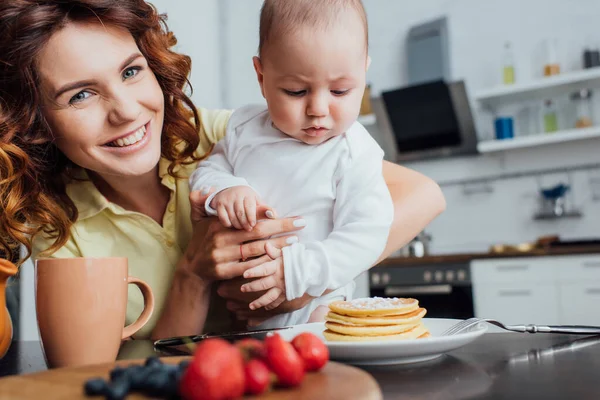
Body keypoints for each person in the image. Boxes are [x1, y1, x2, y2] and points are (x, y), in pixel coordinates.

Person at [0, 0, 446, 340]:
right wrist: (193, 273)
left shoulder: (214, 132)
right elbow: (91, 381)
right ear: (34, 121)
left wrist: (298, 283)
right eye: (81, 95)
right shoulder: (57, 226)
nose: (126, 111)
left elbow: (424, 194)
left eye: (132, 71)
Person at [190, 0, 393, 328]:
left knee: (322, 343)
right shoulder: (244, 129)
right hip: (243, 309)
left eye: (340, 91)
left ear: (364, 72)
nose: (318, 109)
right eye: (296, 91)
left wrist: (298, 271)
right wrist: (226, 189)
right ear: (261, 76)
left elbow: (367, 233)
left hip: (318, 299)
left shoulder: (354, 151)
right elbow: (206, 172)